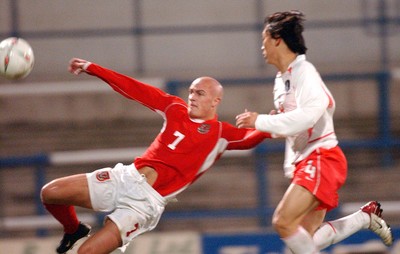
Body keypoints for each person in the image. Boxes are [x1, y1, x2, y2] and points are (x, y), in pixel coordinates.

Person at [40, 58, 272, 254]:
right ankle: (74, 230)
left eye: (200, 93)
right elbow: (135, 89)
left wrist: (270, 124)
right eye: (191, 91)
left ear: (215, 101)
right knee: (50, 193)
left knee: (85, 252)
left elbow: (249, 139)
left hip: (144, 205)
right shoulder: (174, 108)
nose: (192, 97)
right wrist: (93, 68)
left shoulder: (220, 133)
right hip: (125, 178)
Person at [235, 10, 393, 254]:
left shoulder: (304, 72)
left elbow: (308, 116)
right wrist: (269, 125)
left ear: (277, 38)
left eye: (264, 39)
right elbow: (295, 123)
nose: (262, 46)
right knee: (302, 244)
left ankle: (364, 219)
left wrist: (261, 121)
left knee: (283, 222)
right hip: (308, 161)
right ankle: (364, 218)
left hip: (321, 158)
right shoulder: (282, 79)